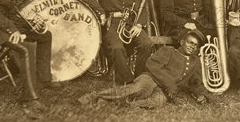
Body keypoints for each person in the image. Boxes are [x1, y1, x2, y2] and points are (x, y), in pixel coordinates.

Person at [80, 30, 208, 108]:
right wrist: (170, 84)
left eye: (196, 45)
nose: (192, 46)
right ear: (182, 42)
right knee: (138, 89)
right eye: (190, 42)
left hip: (164, 90)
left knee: (157, 102)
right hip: (151, 79)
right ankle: (94, 96)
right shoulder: (169, 51)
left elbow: (196, 83)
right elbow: (152, 65)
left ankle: (117, 103)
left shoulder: (195, 62)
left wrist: (201, 94)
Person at [87, 0, 153, 85]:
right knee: (117, 48)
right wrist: (100, 12)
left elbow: (142, 7)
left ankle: (139, 76)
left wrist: (139, 25)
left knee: (147, 44)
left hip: (131, 23)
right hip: (112, 24)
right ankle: (128, 81)